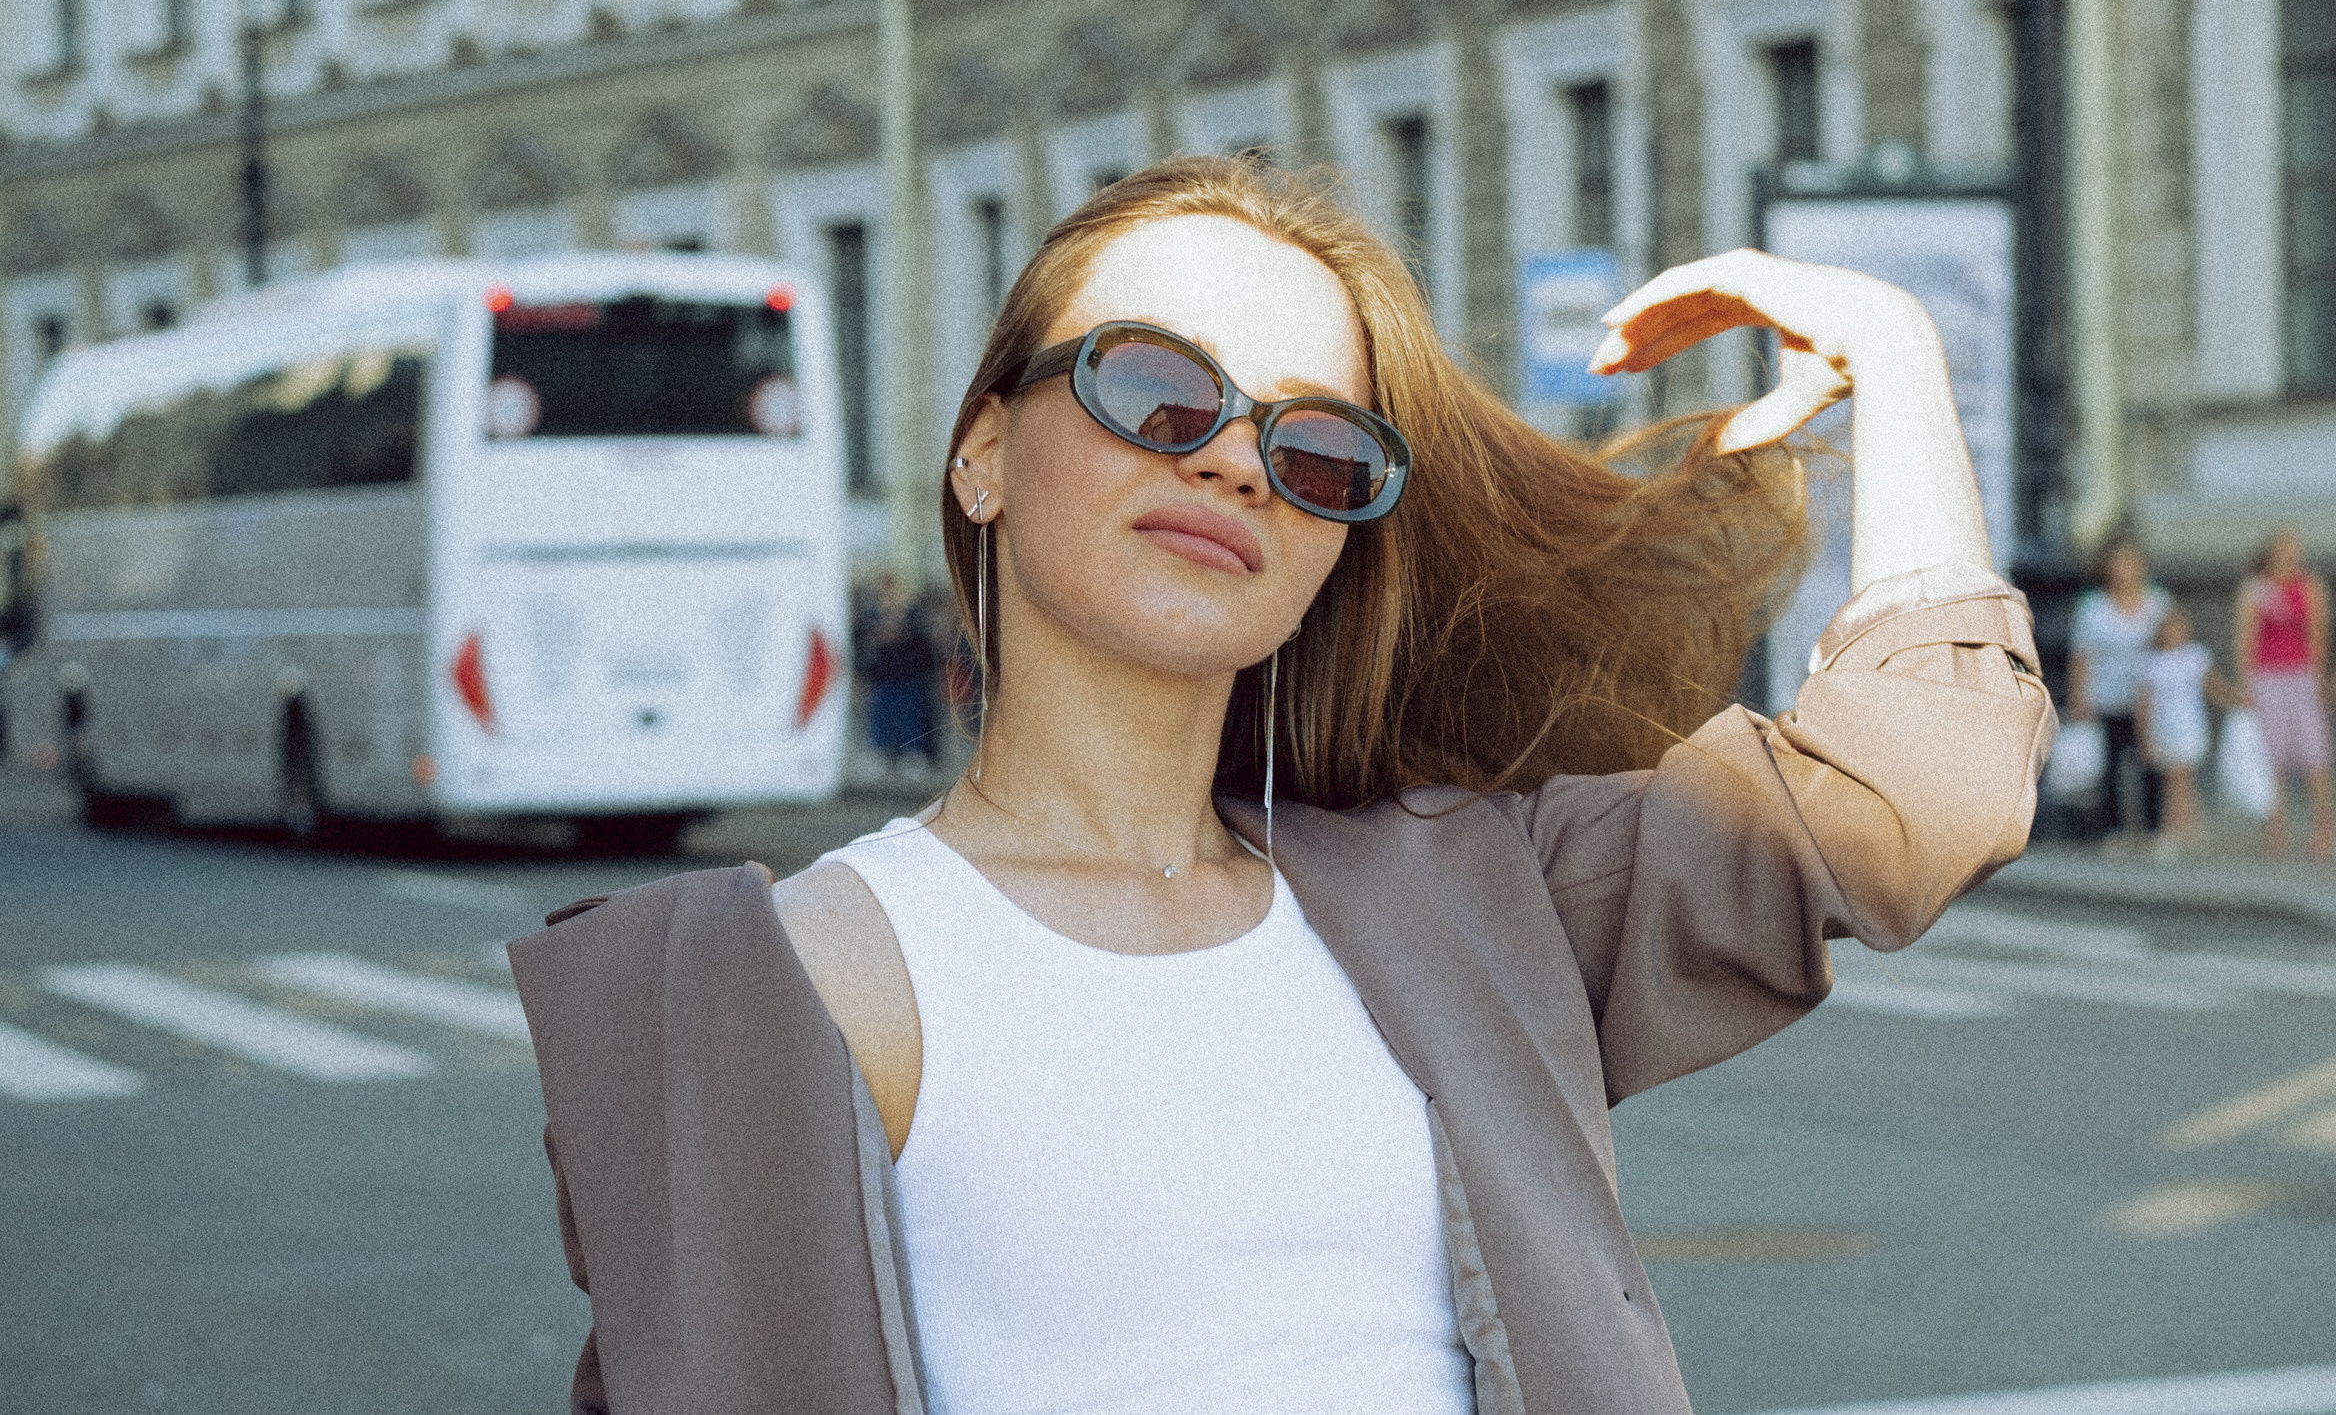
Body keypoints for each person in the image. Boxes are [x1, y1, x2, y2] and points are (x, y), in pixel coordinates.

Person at [508, 158, 2049, 1415]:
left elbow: (1930, 782)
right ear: (986, 450)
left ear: (1332, 551)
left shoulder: (1466, 894)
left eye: (1316, 448)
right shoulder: (812, 971)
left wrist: (1898, 355)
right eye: (1158, 394)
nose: (1238, 463)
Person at [2235, 528, 2334, 861]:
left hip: (2302, 675)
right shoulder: (2255, 589)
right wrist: (2246, 682)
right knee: (2270, 754)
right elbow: (2246, 638)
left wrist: (2321, 679)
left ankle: (2323, 828)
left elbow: (2318, 633)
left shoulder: (2309, 587)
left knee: (2314, 754)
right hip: (2267, 677)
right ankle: (2276, 827)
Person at [2068, 539, 2169, 844]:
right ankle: (2113, 829)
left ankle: (2153, 829)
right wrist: (2079, 698)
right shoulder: (2094, 608)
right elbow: (2082, 656)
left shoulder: (2158, 603)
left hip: (2149, 699)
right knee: (2110, 764)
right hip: (2108, 695)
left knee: (2151, 761)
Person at [2135, 606, 2234, 859]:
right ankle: (2176, 829)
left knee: (2183, 779)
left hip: (2190, 728)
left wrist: (2234, 699)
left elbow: (2212, 685)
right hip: (2164, 730)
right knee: (2172, 780)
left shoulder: (2194, 657)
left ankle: (2185, 827)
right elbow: (2143, 704)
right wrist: (2144, 736)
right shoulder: (2152, 662)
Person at [855, 571, 941, 782]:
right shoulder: (872, 616)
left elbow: (924, 644)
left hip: (908, 675)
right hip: (883, 677)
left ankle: (914, 754)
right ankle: (880, 752)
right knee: (881, 717)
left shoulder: (912, 614)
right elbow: (862, 644)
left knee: (911, 716)